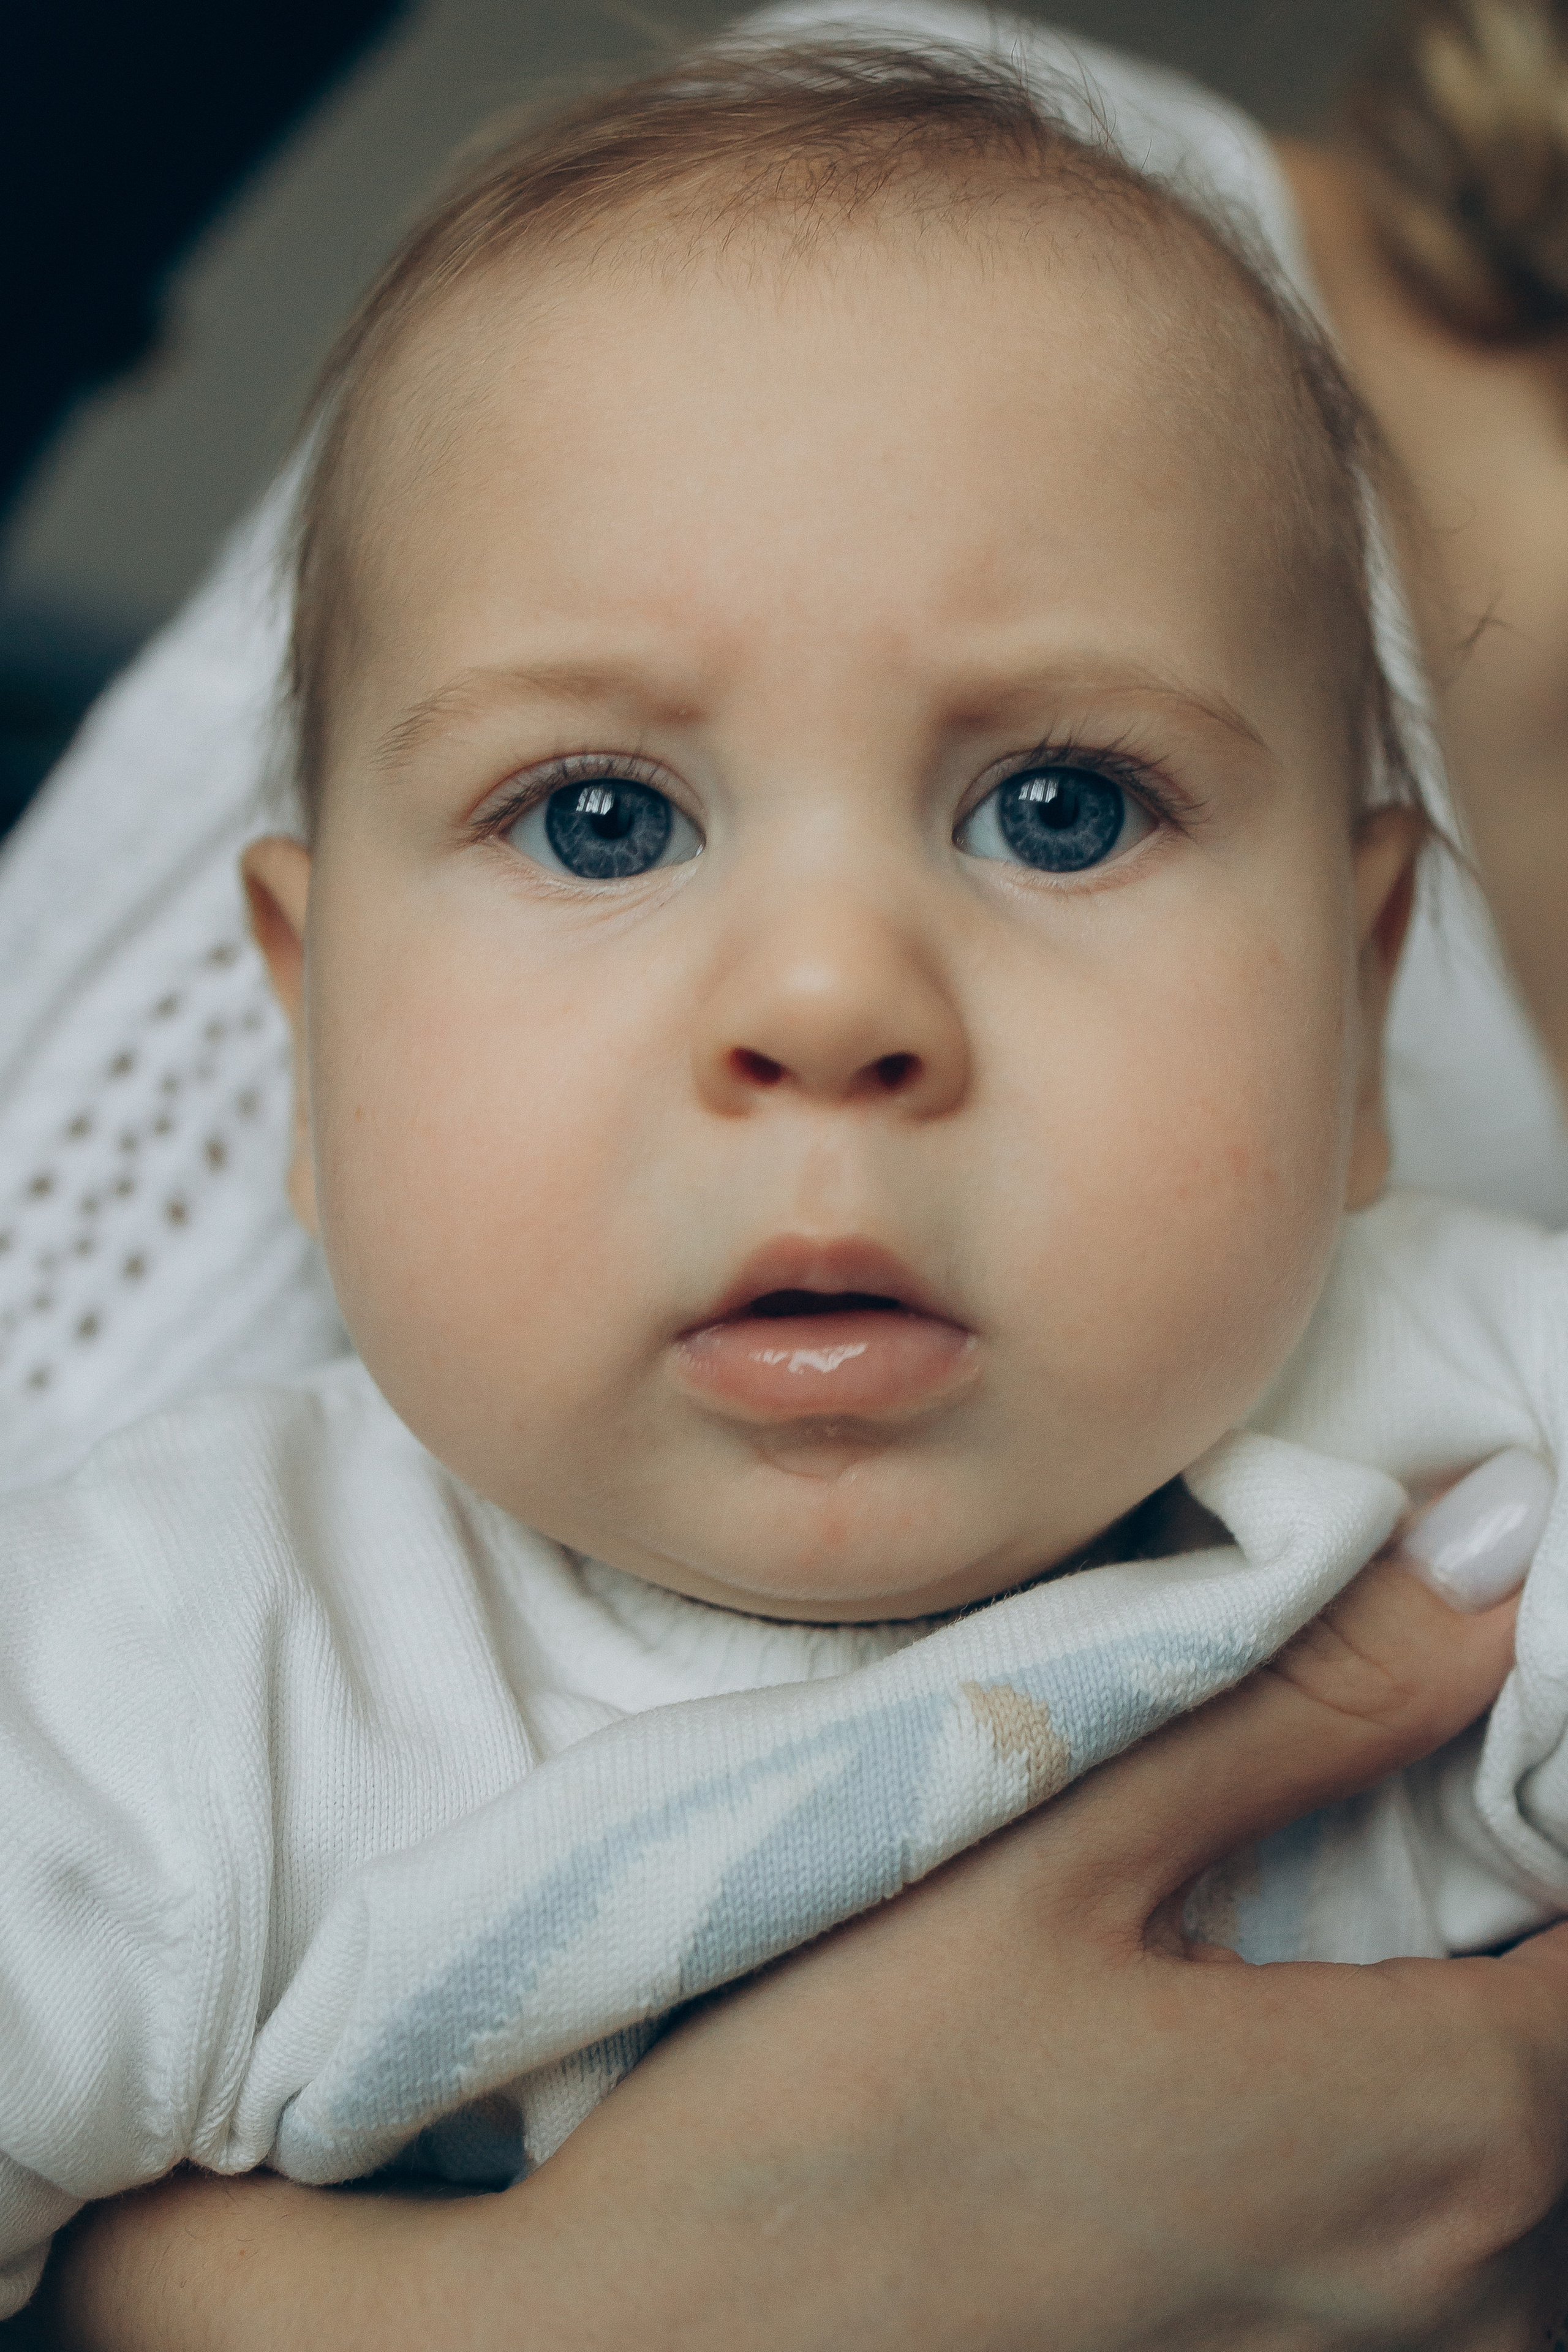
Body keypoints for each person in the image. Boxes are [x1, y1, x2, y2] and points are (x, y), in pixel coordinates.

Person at [7, 8, 1568, 2349]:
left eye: (1060, 809)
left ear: (1361, 1009)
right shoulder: (178, 1673)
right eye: (600, 819)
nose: (833, 998)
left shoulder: (1467, 1436)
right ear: (307, 1049)